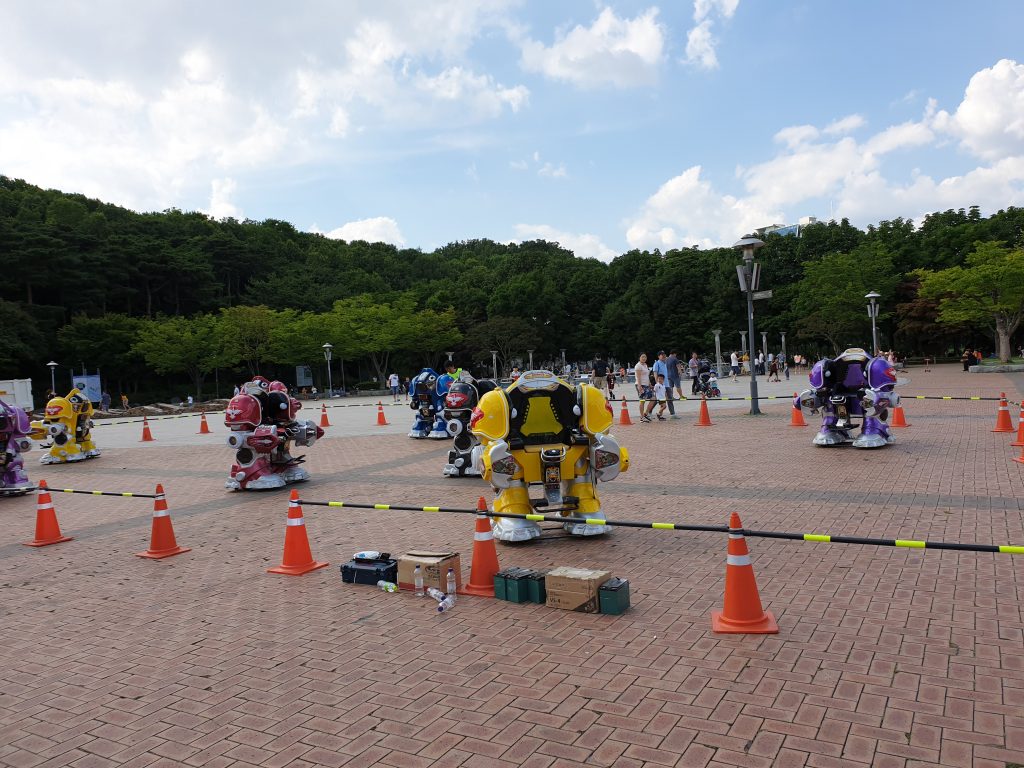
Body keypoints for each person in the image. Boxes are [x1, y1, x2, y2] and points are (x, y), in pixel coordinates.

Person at [652, 351, 676, 418]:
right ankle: (650, 412)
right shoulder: (657, 364)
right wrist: (657, 383)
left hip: (667, 384)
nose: (663, 356)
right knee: (657, 400)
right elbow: (655, 374)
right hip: (660, 385)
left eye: (664, 355)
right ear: (658, 356)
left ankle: (672, 414)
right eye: (661, 355)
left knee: (669, 399)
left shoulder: (666, 363)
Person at [634, 353, 654, 422]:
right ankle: (642, 417)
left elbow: (647, 376)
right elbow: (638, 377)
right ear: (639, 358)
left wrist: (650, 384)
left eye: (645, 357)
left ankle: (645, 414)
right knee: (642, 401)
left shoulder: (645, 365)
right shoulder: (638, 366)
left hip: (646, 385)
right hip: (640, 385)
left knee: (653, 398)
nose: (644, 358)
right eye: (642, 357)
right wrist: (639, 387)